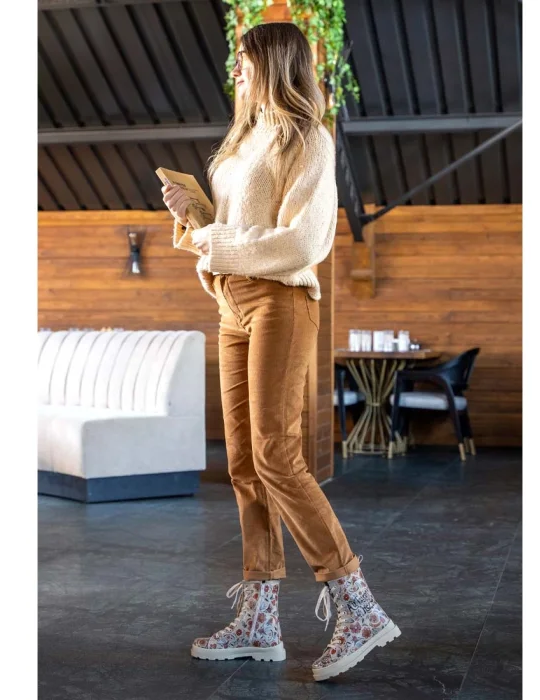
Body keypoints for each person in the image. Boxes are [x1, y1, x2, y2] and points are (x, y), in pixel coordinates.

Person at [162, 22, 400, 682]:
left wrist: (215, 240)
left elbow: (303, 244)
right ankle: (260, 622)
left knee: (274, 452)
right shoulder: (240, 140)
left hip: (280, 301)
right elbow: (227, 233)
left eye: (244, 61)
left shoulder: (309, 138)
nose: (236, 72)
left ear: (275, 62)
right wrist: (193, 212)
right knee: (243, 462)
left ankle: (358, 605)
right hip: (230, 305)